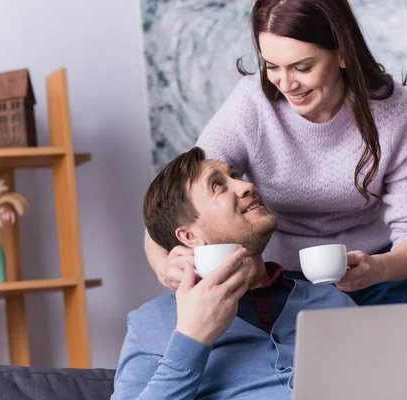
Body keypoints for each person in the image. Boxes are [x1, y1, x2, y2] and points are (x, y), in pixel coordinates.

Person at [145, 0, 407, 305]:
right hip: (280, 281)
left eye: (303, 67)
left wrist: (377, 269)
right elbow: (176, 202)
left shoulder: (395, 113)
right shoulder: (252, 106)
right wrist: (164, 265)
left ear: (342, 53)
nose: (286, 84)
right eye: (272, 66)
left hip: (380, 276)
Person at [112, 147, 356, 400]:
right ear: (189, 237)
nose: (245, 186)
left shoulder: (331, 301)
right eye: (218, 186)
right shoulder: (152, 322)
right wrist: (192, 338)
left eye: (236, 176)